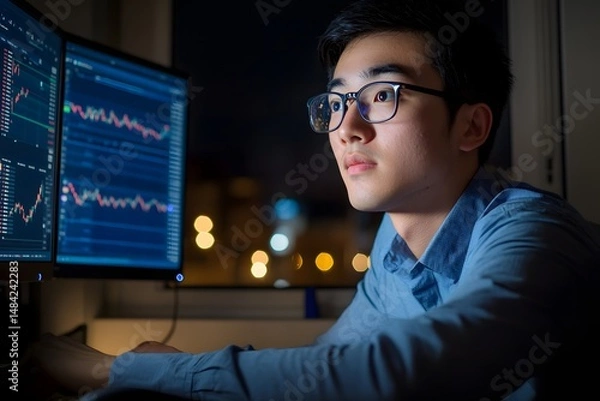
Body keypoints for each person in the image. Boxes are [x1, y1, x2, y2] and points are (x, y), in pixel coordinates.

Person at [23, 0, 600, 400]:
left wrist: (112, 369)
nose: (345, 128)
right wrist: (162, 370)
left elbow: (413, 373)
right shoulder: (394, 248)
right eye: (334, 102)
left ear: (471, 127)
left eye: (381, 94)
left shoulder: (536, 233)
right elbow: (333, 366)